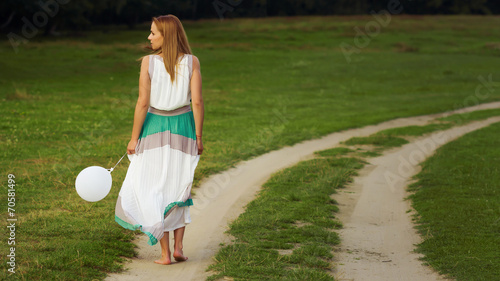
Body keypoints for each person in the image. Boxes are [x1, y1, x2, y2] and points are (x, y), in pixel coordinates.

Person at [114, 14, 204, 265]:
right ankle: (179, 248)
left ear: (167, 35)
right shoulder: (192, 62)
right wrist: (198, 136)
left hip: (153, 127)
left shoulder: (148, 63)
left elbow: (143, 102)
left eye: (153, 32)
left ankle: (164, 254)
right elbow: (196, 102)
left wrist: (134, 139)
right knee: (180, 185)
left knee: (155, 189)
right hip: (184, 127)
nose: (149, 36)